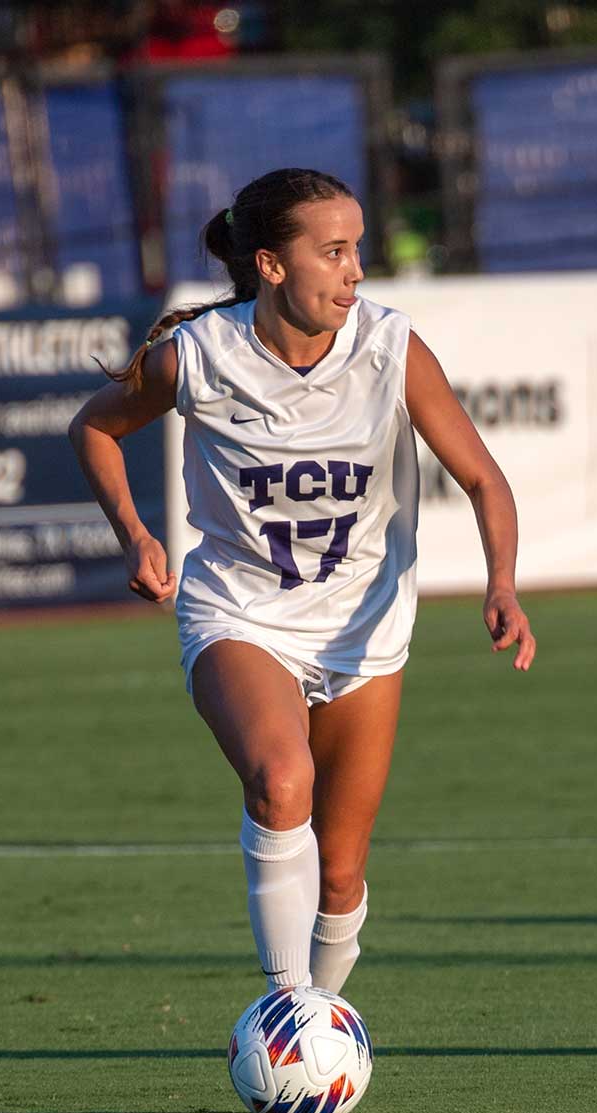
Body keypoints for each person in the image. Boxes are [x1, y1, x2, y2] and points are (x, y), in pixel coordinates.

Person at [69, 168, 535, 999]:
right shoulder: (200, 355)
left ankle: (320, 1019)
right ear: (272, 265)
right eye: (334, 252)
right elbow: (95, 429)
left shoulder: (389, 347)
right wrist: (135, 535)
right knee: (282, 783)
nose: (356, 271)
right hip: (241, 615)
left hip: (364, 631)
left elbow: (484, 480)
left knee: (342, 873)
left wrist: (502, 582)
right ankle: (288, 1015)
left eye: (357, 250)